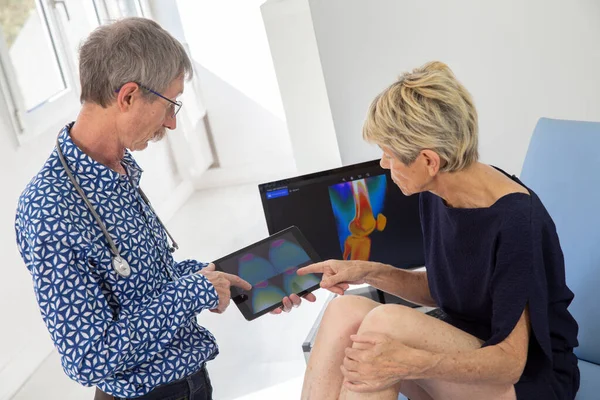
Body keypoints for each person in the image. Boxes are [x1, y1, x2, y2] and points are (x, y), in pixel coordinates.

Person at [15, 17, 313, 400]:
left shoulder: (115, 169)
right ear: (128, 97)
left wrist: (236, 277)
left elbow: (148, 285)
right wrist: (194, 293)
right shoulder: (50, 209)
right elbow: (88, 358)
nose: (172, 123)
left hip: (190, 382)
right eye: (170, 104)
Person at [297, 61, 579, 400]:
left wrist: (410, 363)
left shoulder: (518, 222)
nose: (384, 165)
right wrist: (366, 271)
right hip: (462, 342)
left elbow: (511, 362)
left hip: (526, 378)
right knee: (345, 311)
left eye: (388, 155)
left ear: (430, 161)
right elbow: (449, 291)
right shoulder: (436, 190)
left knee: (386, 324)